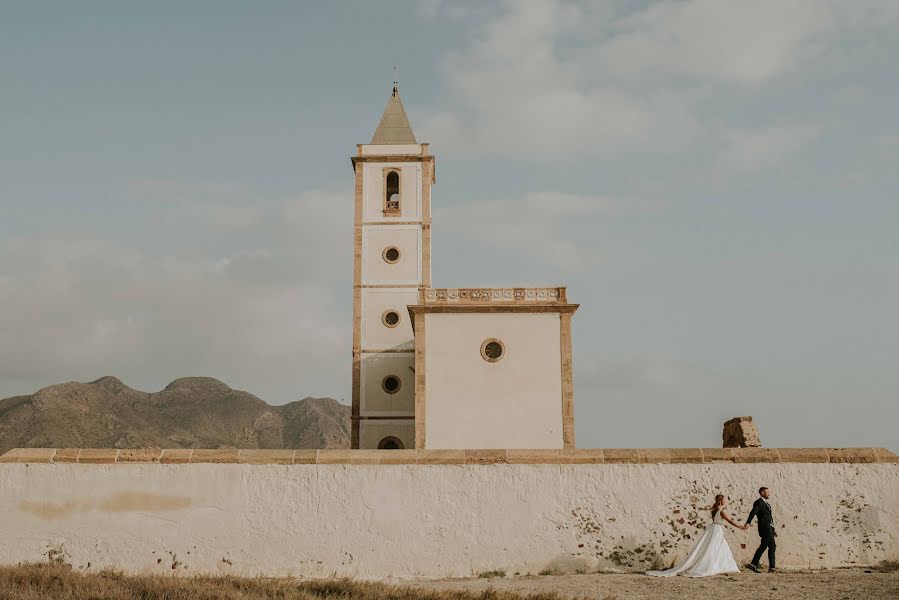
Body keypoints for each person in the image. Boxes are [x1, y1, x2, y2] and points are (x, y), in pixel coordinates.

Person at [647, 494, 747, 577]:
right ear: (721, 500)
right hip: (717, 529)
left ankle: (718, 566)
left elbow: (719, 511)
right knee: (716, 547)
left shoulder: (715, 509)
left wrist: (723, 506)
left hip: (713, 528)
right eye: (725, 500)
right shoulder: (721, 511)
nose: (726, 501)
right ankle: (716, 566)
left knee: (714, 547)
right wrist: (741, 526)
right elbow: (730, 521)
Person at [745, 486, 777, 573]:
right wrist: (748, 522)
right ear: (762, 493)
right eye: (767, 492)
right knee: (764, 546)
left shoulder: (766, 503)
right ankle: (754, 564)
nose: (769, 494)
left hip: (769, 528)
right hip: (765, 528)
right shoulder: (758, 502)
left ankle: (771, 567)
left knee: (772, 546)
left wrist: (773, 529)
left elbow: (769, 517)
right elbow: (753, 512)